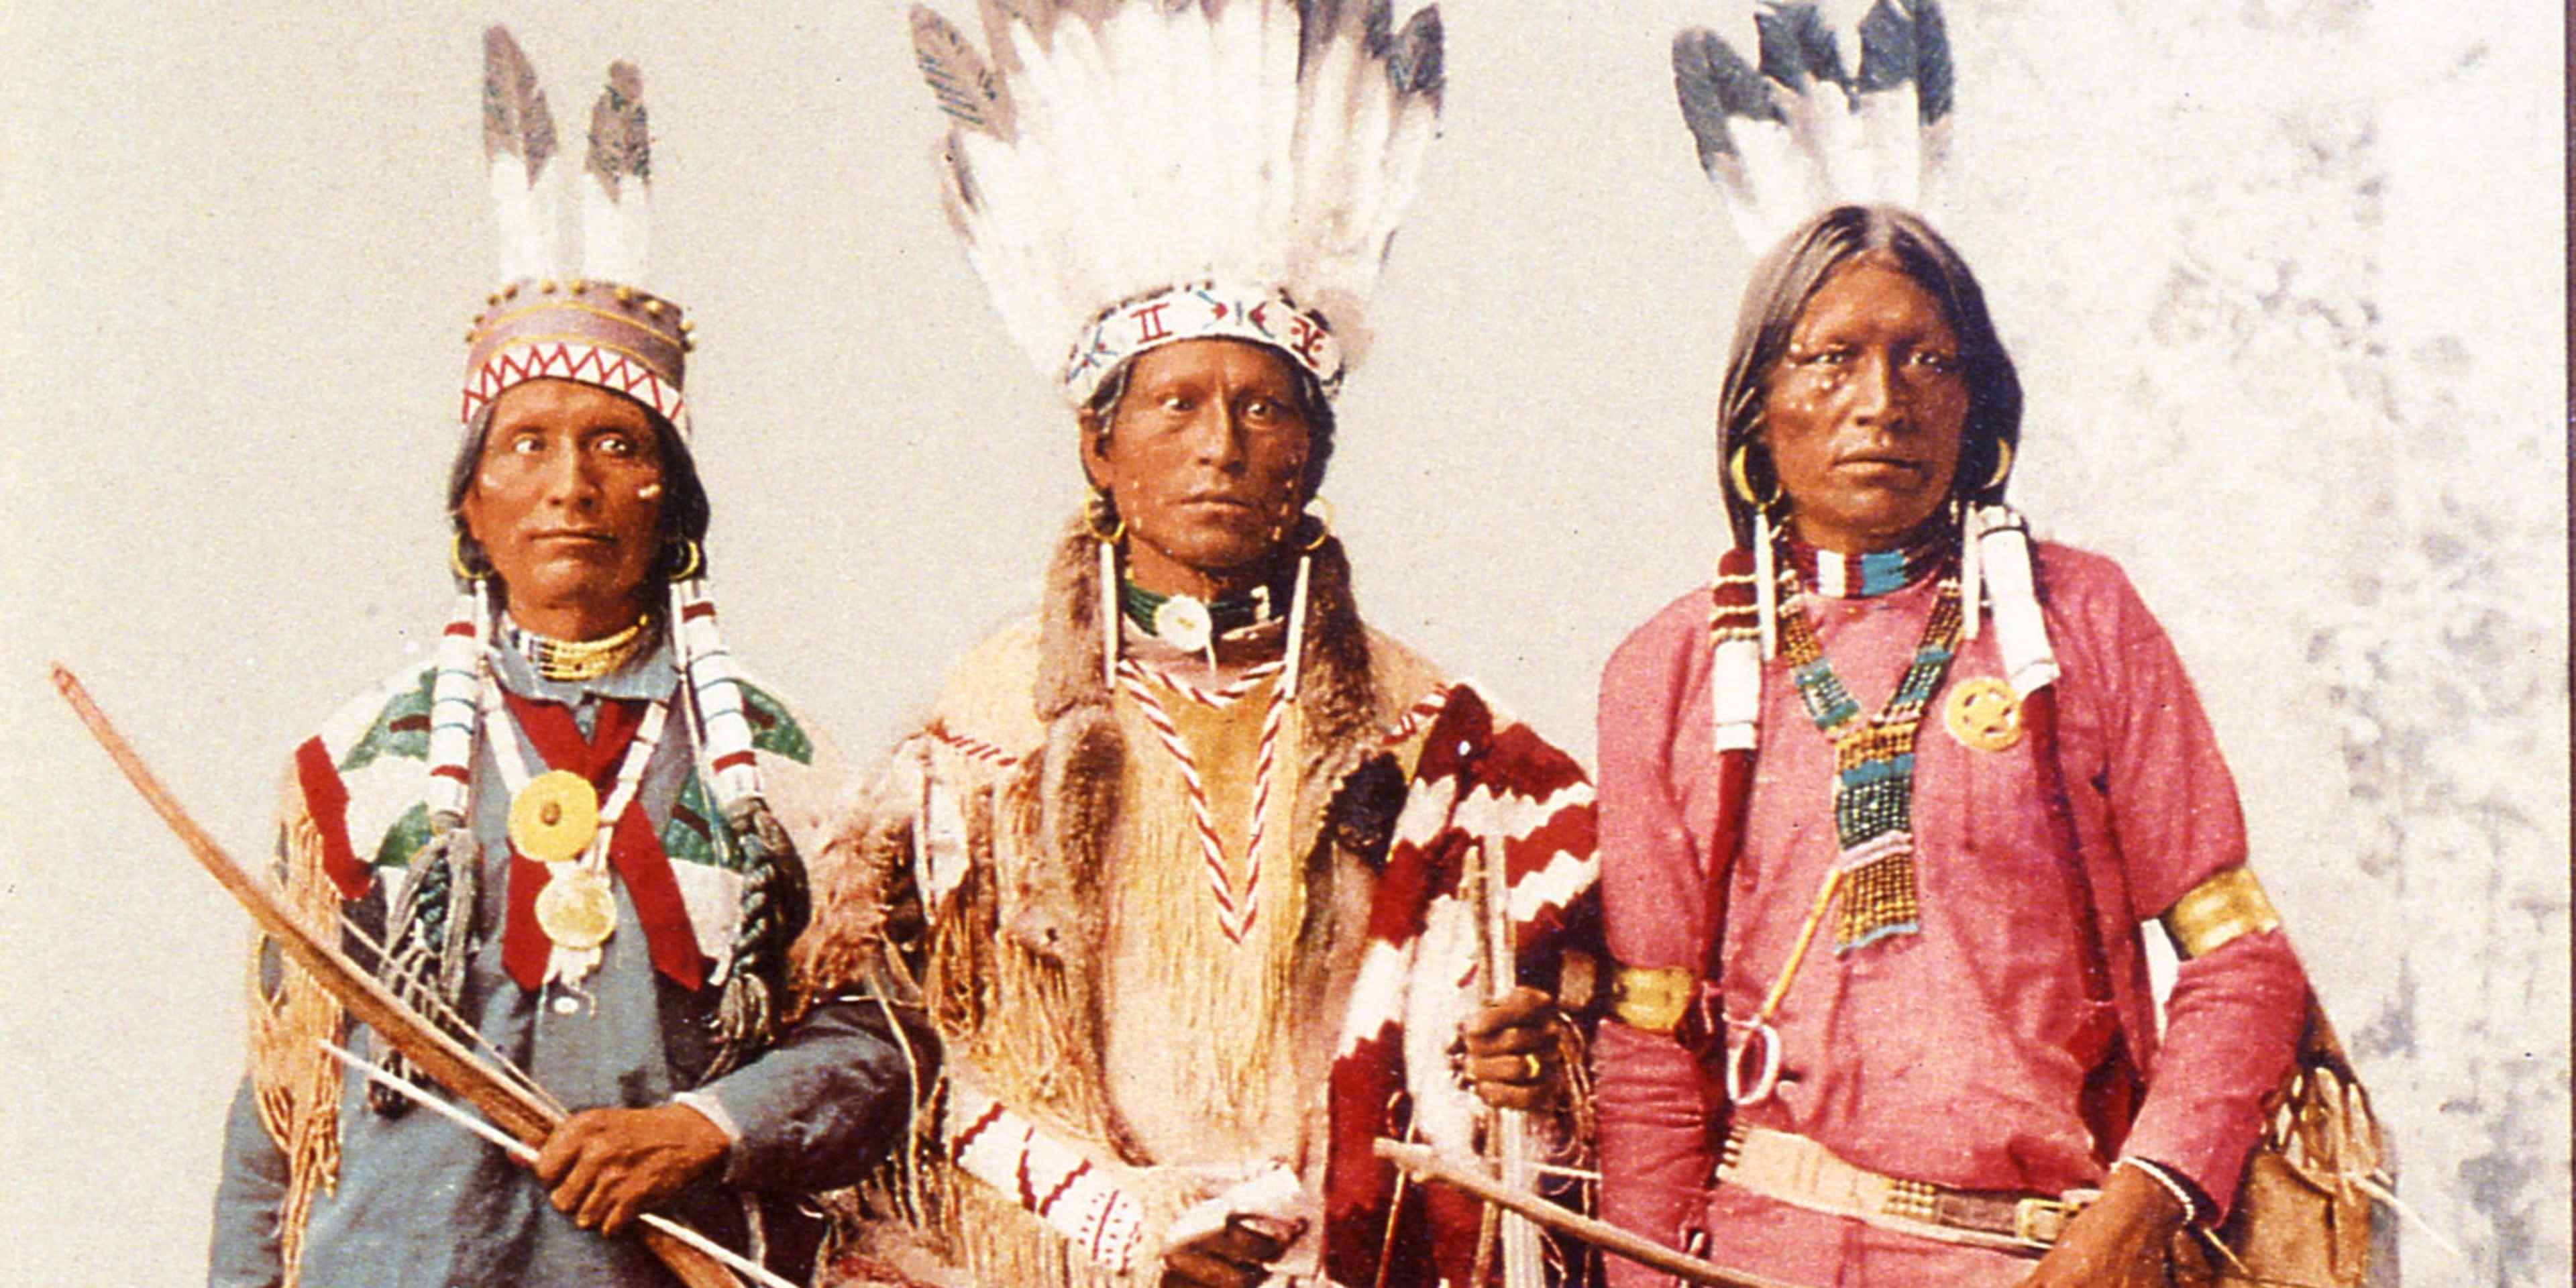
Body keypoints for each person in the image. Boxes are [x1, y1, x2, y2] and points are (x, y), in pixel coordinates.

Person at [792, 5, 1600, 1287]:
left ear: (1312, 453)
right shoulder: (991, 725)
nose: (1221, 446)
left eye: (1264, 408)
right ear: (1099, 447)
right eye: (1175, 404)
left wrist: (1516, 1059)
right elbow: (922, 1050)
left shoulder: (1429, 731)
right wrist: (1129, 1229)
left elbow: (1513, 1035)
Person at [207, 30, 911, 1287]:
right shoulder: (355, 772)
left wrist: (706, 1127)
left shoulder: (787, 773)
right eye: (525, 444)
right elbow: (279, 1111)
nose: (570, 485)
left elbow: (879, 1046)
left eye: (616, 446)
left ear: (673, 503)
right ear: (470, 505)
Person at [1587, 208, 2317, 1287]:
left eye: (1928, 360)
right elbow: (1649, 1048)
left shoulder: (2080, 620)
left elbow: (2241, 959)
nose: (1883, 401)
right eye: (1831, 359)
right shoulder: (1672, 670)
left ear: (1978, 407)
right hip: (1766, 1257)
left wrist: (2143, 1206)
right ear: (1758, 409)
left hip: (2043, 1260)